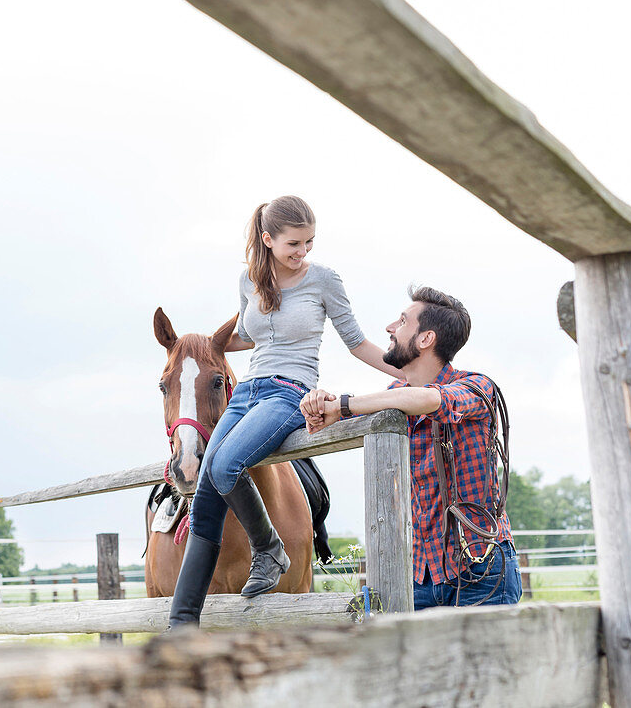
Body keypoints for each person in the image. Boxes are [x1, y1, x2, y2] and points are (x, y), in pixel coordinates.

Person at [168, 196, 400, 628]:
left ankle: (270, 549)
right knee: (205, 491)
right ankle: (180, 625)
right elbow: (242, 336)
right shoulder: (248, 281)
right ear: (268, 239)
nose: (302, 252)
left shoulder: (324, 280)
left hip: (288, 392)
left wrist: (409, 373)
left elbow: (357, 342)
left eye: (309, 242)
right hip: (246, 394)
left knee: (225, 465)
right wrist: (193, 348)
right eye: (294, 243)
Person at [299, 286, 522, 609]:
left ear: (425, 339)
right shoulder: (393, 395)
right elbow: (391, 399)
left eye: (402, 322)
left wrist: (344, 405)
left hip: (480, 568)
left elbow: (431, 399)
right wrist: (320, 401)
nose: (390, 328)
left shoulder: (476, 387)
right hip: (420, 576)